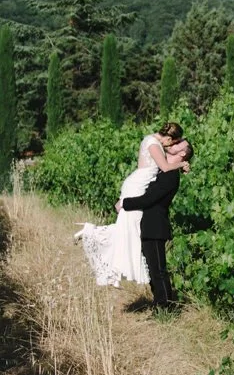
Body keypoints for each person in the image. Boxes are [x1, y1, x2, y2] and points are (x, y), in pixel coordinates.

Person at [75, 123, 189, 288]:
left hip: (137, 185)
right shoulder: (155, 144)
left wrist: (182, 162)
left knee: (128, 229)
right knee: (129, 230)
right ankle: (96, 238)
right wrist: (182, 164)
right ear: (169, 138)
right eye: (174, 142)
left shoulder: (154, 142)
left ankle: (94, 235)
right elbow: (164, 167)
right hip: (137, 186)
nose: (172, 146)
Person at [118, 139, 191, 310]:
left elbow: (149, 198)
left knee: (158, 269)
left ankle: (166, 307)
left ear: (182, 153)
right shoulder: (163, 169)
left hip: (156, 226)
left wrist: (124, 204)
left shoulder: (171, 175)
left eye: (179, 144)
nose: (174, 143)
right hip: (149, 225)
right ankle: (159, 304)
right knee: (153, 269)